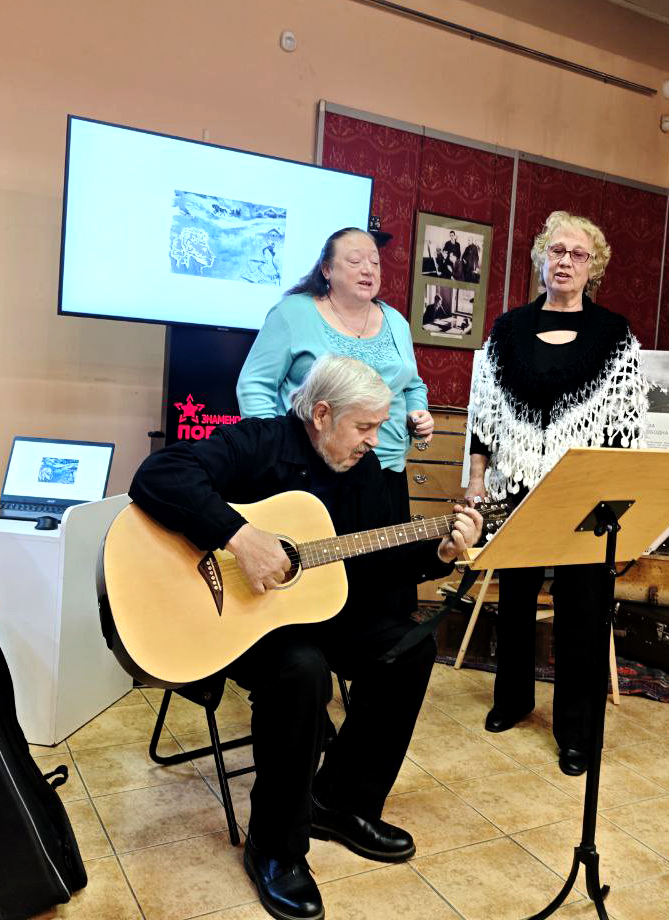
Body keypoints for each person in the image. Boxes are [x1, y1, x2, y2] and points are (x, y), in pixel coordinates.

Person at [131, 355, 482, 920]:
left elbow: (372, 562)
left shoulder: (364, 469)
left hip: (316, 609)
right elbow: (158, 475)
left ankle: (338, 801)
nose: (374, 441)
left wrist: (440, 551)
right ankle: (274, 847)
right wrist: (239, 536)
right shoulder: (260, 442)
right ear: (321, 414)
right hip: (238, 620)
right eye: (364, 426)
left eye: (380, 426)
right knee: (302, 670)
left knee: (411, 648)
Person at [466, 210, 647, 777]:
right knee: (515, 601)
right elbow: (484, 415)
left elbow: (626, 424)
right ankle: (512, 699)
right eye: (557, 250)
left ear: (594, 267)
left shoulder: (615, 334)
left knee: (583, 612)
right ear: (542, 257)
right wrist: (476, 480)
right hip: (516, 485)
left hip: (583, 493)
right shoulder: (507, 330)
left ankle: (577, 730)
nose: (565, 261)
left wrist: (614, 495)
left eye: (578, 254)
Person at [237, 227, 434, 613]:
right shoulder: (294, 313)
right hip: (315, 476)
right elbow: (255, 384)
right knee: (318, 592)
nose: (368, 269)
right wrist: (275, 447)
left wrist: (418, 412)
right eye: (355, 260)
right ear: (327, 269)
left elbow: (413, 384)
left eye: (375, 262)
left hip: (386, 472)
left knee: (383, 592)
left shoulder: (395, 321)